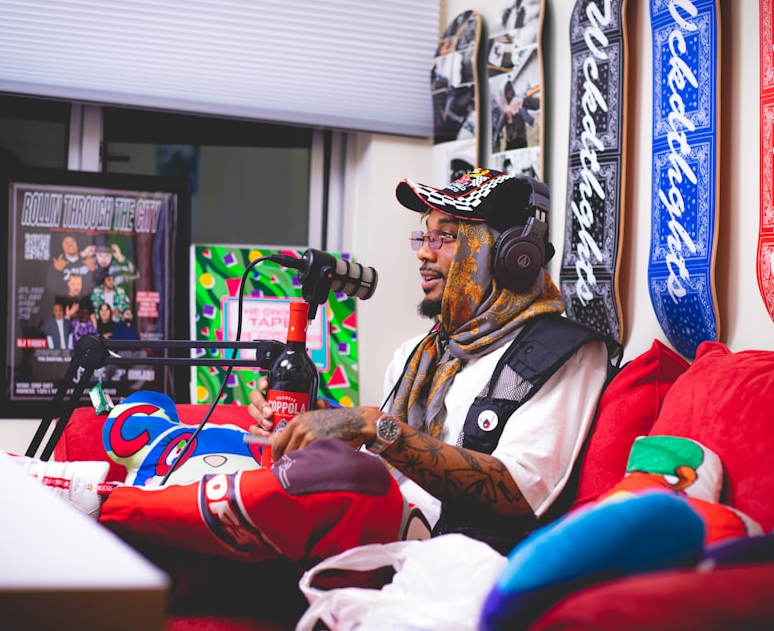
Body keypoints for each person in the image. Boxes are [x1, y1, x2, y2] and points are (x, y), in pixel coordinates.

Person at [248, 167, 613, 552]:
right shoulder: (417, 354)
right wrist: (317, 422)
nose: (424, 251)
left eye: (446, 237)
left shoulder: (565, 354)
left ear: (513, 255)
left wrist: (374, 426)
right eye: (424, 235)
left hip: (453, 571)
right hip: (377, 538)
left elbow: (518, 491)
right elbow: (392, 461)